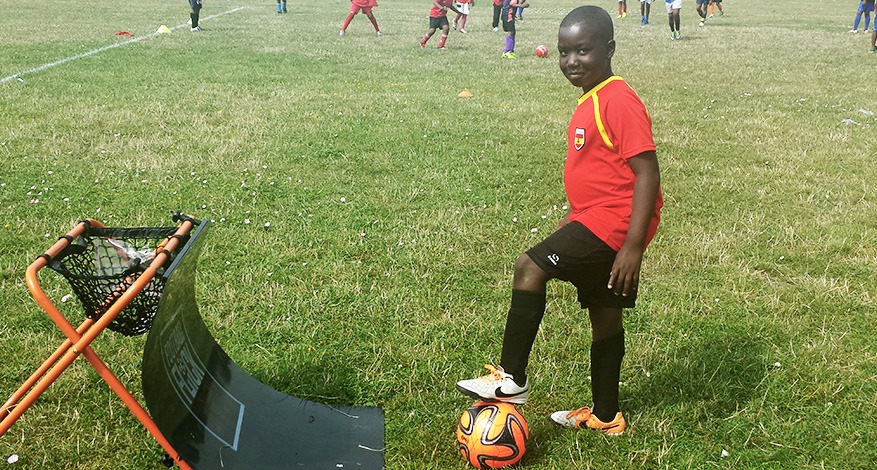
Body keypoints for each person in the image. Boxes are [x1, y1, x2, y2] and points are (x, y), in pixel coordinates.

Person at [456, 5, 662, 436]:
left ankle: (511, 378)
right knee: (606, 316)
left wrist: (632, 246)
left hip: (611, 226)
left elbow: (648, 173)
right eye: (565, 52)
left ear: (609, 49)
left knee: (529, 266)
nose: (571, 61)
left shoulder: (619, 99)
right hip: (599, 221)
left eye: (583, 51)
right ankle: (607, 416)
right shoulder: (593, 95)